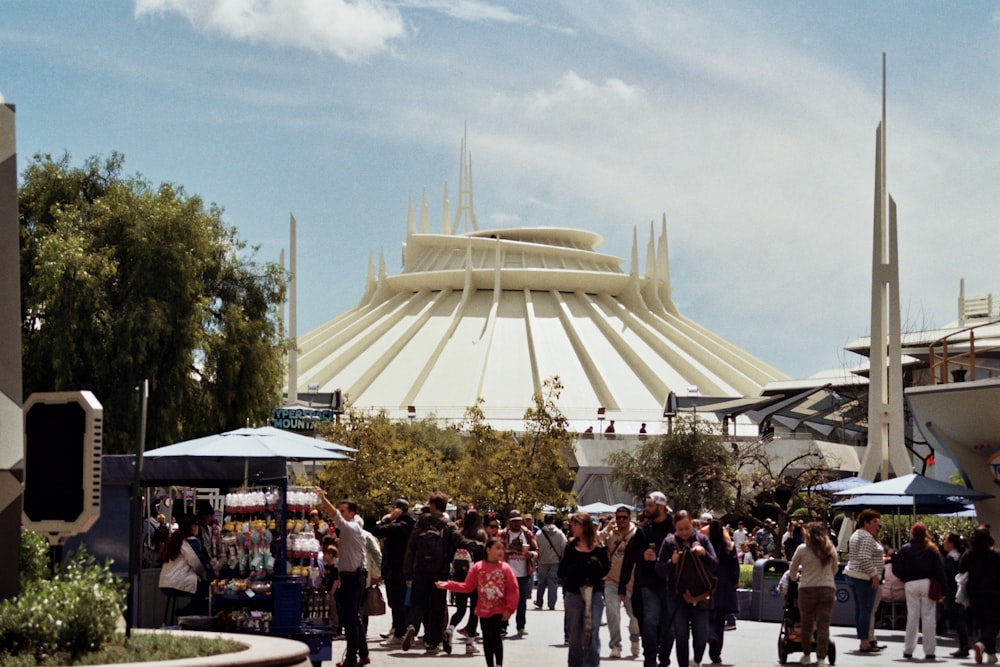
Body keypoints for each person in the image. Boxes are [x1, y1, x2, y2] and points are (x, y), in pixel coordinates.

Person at [402, 490, 477, 654]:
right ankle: (432, 642)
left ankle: (412, 625)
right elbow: (460, 541)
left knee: (418, 603)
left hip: (420, 570)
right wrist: (479, 545)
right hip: (440, 572)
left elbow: (411, 548)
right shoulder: (448, 525)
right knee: (437, 606)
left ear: (433, 505)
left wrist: (408, 573)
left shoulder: (421, 522)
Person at [436, 537, 520, 667]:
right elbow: (467, 587)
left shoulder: (505, 568)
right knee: (487, 638)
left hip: (499, 610)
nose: (501, 551)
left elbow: (513, 590)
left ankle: (499, 664)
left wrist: (509, 609)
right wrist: (448, 585)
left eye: (502, 548)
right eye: (497, 548)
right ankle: (490, 664)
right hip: (483, 609)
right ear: (488, 550)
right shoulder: (478, 567)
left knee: (495, 636)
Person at [656, 509, 718, 667]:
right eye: (680, 529)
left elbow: (715, 564)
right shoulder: (669, 543)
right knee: (681, 635)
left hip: (700, 594)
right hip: (677, 596)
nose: (684, 532)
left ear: (692, 524)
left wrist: (704, 553)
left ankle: (696, 661)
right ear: (675, 528)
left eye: (687, 528)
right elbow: (660, 569)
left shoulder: (702, 540)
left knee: (701, 634)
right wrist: (672, 562)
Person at [620, 491, 675, 667]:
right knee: (650, 621)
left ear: (661, 506)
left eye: (650, 505)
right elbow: (630, 556)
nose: (647, 509)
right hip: (648, 584)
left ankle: (664, 659)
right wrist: (643, 555)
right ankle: (650, 659)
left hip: (670, 585)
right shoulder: (644, 529)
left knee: (668, 624)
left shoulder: (675, 528)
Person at [315, 489, 370, 667]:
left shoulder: (351, 527)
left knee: (350, 619)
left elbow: (336, 516)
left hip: (353, 578)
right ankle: (363, 654)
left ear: (352, 513)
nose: (340, 513)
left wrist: (323, 498)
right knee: (355, 617)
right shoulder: (351, 529)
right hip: (352, 576)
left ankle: (352, 658)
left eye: (344, 510)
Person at [560, 512, 611, 667]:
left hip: (594, 593)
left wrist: (596, 566)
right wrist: (581, 567)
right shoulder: (570, 547)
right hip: (574, 593)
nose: (573, 527)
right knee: (575, 634)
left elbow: (606, 569)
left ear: (584, 526)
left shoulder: (599, 547)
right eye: (572, 524)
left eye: (576, 524)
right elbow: (563, 571)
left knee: (592, 632)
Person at [892, 521, 945, 660]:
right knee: (928, 617)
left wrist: (905, 578)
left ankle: (908, 649)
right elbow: (940, 570)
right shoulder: (931, 549)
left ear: (912, 533)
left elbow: (896, 568)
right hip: (927, 582)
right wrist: (944, 589)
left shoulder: (905, 548)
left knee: (912, 617)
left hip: (910, 584)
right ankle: (929, 650)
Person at [789, 521, 839, 666]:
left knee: (807, 623)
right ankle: (821, 658)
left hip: (807, 588)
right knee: (823, 625)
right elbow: (834, 570)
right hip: (827, 588)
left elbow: (792, 569)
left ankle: (806, 655)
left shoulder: (802, 549)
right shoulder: (830, 549)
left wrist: (795, 578)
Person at [369, 498, 415, 647]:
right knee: (403, 603)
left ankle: (399, 633)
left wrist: (389, 518)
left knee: (397, 602)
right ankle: (403, 629)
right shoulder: (412, 524)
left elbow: (376, 530)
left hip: (396, 570)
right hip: (404, 569)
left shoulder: (400, 525)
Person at [600, 505, 640, 659]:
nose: (621, 520)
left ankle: (635, 639)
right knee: (612, 613)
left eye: (624, 517)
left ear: (630, 518)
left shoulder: (636, 533)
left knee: (635, 617)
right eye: (618, 517)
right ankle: (615, 645)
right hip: (612, 580)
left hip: (631, 581)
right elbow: (596, 541)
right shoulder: (610, 533)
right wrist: (607, 528)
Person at [843, 508, 885, 653]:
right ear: (865, 523)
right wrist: (874, 575)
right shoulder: (867, 537)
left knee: (861, 610)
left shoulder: (856, 535)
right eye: (874, 522)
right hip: (864, 577)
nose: (877, 526)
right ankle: (865, 642)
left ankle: (864, 639)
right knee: (866, 610)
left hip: (853, 574)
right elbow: (864, 558)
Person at [447, 508, 487, 655]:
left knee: (460, 608)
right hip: (476, 576)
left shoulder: (460, 534)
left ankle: (450, 629)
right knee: (474, 610)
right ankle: (470, 643)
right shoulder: (481, 534)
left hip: (459, 576)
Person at [960, 525, 1000, 664]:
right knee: (995, 623)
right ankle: (982, 644)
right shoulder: (996, 555)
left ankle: (991, 654)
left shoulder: (969, 556)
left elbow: (961, 571)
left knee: (983, 623)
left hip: (974, 594)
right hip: (994, 594)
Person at [158, 513, 209, 619]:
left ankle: (186, 613)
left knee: (200, 591)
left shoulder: (174, 538)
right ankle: (186, 614)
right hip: (178, 582)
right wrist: (208, 576)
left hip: (166, 582)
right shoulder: (189, 541)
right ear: (193, 526)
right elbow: (197, 563)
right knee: (206, 590)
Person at [500, 509, 538, 637]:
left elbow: (536, 550)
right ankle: (503, 626)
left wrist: (530, 554)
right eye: (513, 522)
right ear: (509, 522)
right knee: (505, 601)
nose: (516, 524)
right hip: (506, 573)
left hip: (523, 573)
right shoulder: (503, 535)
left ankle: (521, 626)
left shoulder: (528, 534)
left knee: (522, 602)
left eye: (518, 521)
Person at [707, 519, 740, 665]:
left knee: (708, 617)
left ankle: (709, 634)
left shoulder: (705, 545)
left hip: (708, 585)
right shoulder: (729, 547)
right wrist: (734, 581)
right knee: (720, 621)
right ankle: (716, 653)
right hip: (724, 586)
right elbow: (735, 566)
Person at [941, 532, 971, 659]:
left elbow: (946, 577)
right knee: (960, 617)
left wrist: (943, 593)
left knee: (957, 618)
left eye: (946, 540)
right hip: (961, 591)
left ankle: (964, 645)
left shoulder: (950, 559)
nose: (944, 543)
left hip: (952, 592)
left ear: (951, 543)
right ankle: (965, 644)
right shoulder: (960, 556)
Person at [535, 513, 567, 611]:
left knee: (541, 582)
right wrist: (561, 556)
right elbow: (564, 544)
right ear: (553, 521)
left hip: (542, 560)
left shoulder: (539, 534)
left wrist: (537, 559)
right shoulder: (559, 533)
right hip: (555, 560)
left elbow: (536, 547)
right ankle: (551, 603)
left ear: (544, 521)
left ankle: (539, 601)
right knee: (553, 582)